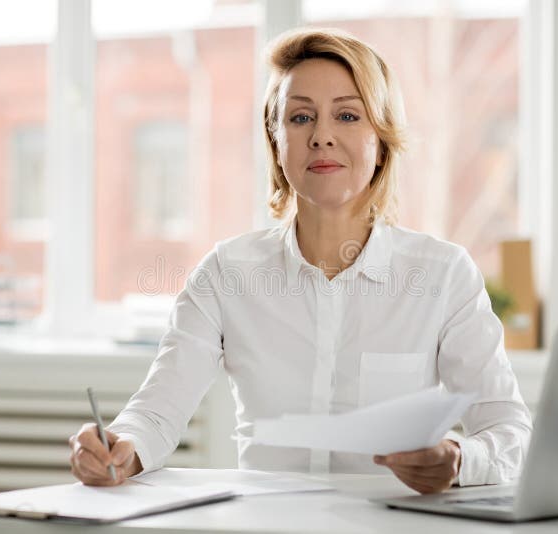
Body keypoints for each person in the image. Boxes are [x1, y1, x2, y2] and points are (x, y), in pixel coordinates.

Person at [69, 27, 532, 495]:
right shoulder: (227, 273)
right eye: (300, 117)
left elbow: (509, 428)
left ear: (381, 139)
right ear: (276, 140)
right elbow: (155, 414)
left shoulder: (444, 274)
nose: (322, 137)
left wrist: (458, 460)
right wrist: (120, 448)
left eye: (348, 115)